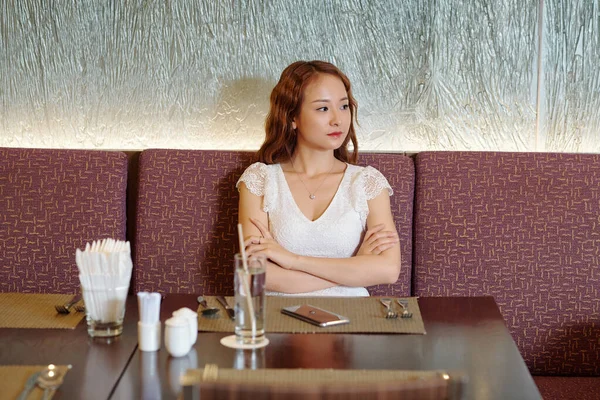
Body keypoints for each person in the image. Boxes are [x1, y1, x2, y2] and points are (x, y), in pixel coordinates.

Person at [236, 60, 401, 296]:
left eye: (344, 107)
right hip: (277, 321)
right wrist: (354, 269)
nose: (338, 119)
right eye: (323, 108)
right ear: (293, 117)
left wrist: (292, 261)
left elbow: (388, 270)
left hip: (355, 321)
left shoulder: (367, 183)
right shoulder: (260, 180)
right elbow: (253, 276)